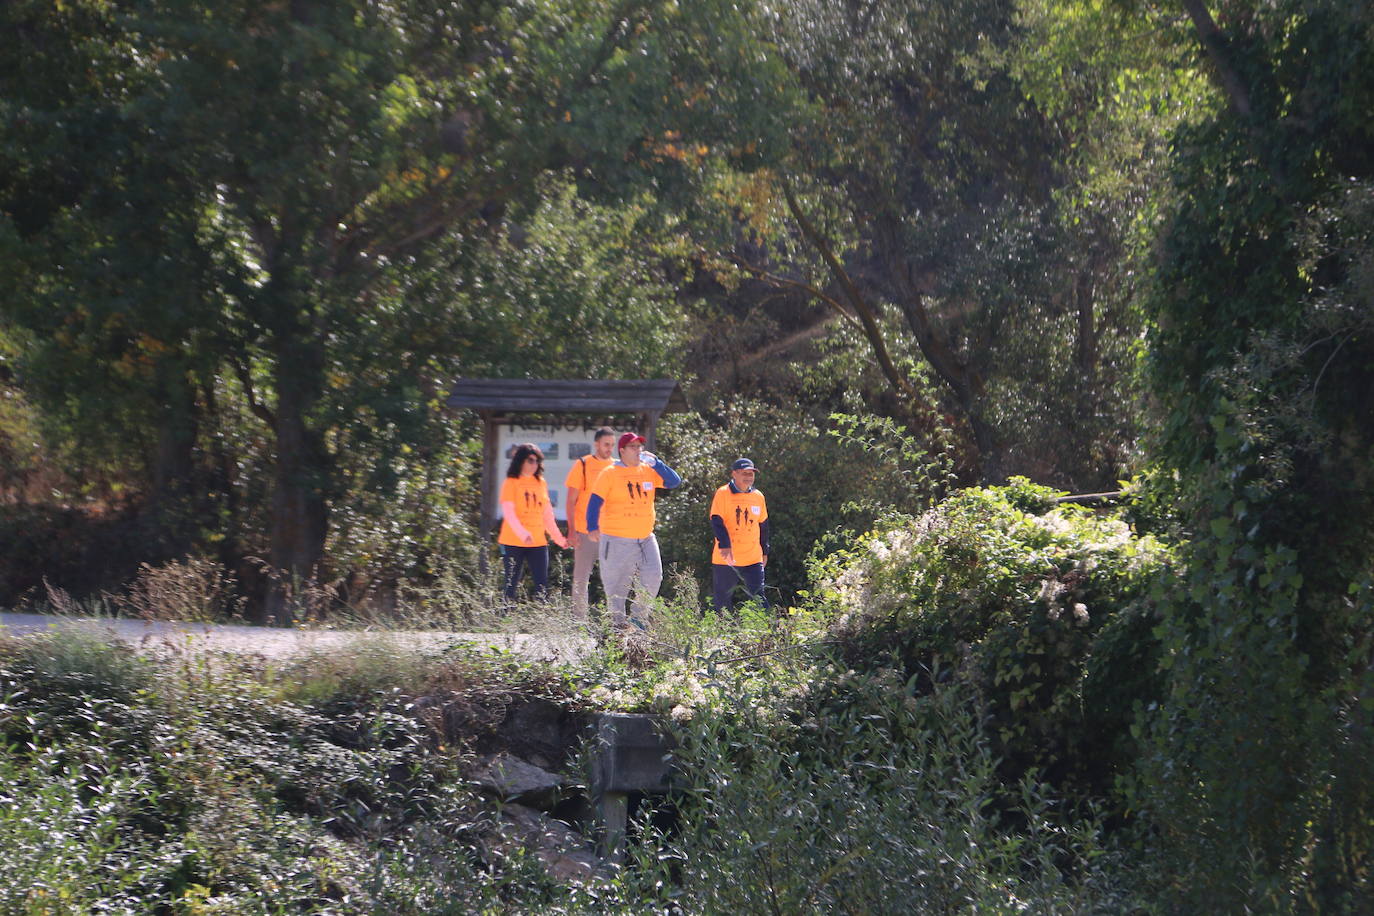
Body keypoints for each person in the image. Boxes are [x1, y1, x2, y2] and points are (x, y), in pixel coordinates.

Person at [585, 432, 682, 629]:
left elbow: (674, 482)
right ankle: (617, 628)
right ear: (622, 451)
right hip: (617, 538)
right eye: (633, 447)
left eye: (639, 446)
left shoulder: (648, 470)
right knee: (617, 587)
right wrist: (592, 527)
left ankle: (638, 619)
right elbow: (594, 502)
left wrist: (658, 464)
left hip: (645, 537)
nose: (638, 450)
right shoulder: (610, 473)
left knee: (654, 576)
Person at [498, 443, 568, 600]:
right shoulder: (511, 482)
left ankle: (542, 622)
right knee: (510, 585)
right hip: (513, 541)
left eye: (537, 461)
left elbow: (547, 514)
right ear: (520, 460)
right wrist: (523, 534)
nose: (534, 464)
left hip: (538, 541)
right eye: (530, 460)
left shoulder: (540, 482)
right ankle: (504, 621)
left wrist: (559, 538)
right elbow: (509, 513)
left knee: (542, 586)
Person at [563, 426, 617, 618]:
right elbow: (570, 501)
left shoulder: (616, 467)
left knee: (613, 579)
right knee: (581, 578)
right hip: (584, 531)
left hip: (611, 532)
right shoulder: (583, 465)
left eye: (612, 445)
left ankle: (614, 620)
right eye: (606, 444)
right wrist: (571, 531)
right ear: (596, 444)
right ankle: (579, 622)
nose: (609, 448)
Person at [709, 457, 770, 614]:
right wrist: (725, 545)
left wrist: (765, 551)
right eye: (745, 473)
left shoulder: (758, 496)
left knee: (759, 597)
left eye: (751, 473)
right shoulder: (722, 493)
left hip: (753, 557)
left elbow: (763, 525)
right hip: (727, 558)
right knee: (723, 600)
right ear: (734, 474)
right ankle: (721, 636)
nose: (749, 477)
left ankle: (767, 634)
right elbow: (716, 520)